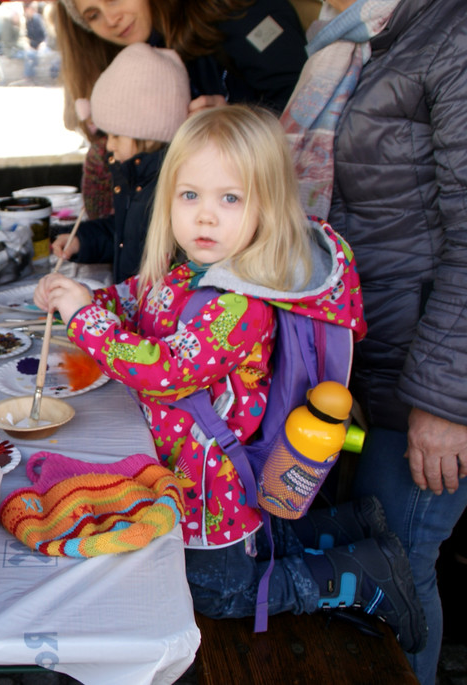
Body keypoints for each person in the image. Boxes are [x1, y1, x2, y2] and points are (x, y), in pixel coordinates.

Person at [33, 105, 426, 652]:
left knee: (217, 591)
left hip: (209, 477)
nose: (205, 217)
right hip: (188, 463)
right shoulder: (184, 272)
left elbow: (164, 371)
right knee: (231, 558)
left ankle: (363, 571)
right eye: (189, 196)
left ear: (267, 206)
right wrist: (85, 299)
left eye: (230, 198)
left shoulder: (242, 304)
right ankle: (349, 524)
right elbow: (136, 304)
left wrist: (84, 318)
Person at [282, 0, 467, 680]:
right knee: (372, 556)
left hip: (430, 371)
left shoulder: (452, 30)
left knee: (402, 559)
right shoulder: (359, 36)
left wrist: (449, 402)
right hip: (366, 352)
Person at [54, 0, 307, 220]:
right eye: (93, 15)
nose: (111, 19)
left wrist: (234, 120)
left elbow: (306, 107)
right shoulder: (144, 51)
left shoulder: (238, 13)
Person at [51, 42, 189, 282]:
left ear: (147, 134)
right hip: (133, 306)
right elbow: (124, 233)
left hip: (158, 313)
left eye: (115, 136)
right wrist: (81, 240)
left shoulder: (175, 190)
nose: (109, 145)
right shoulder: (133, 177)